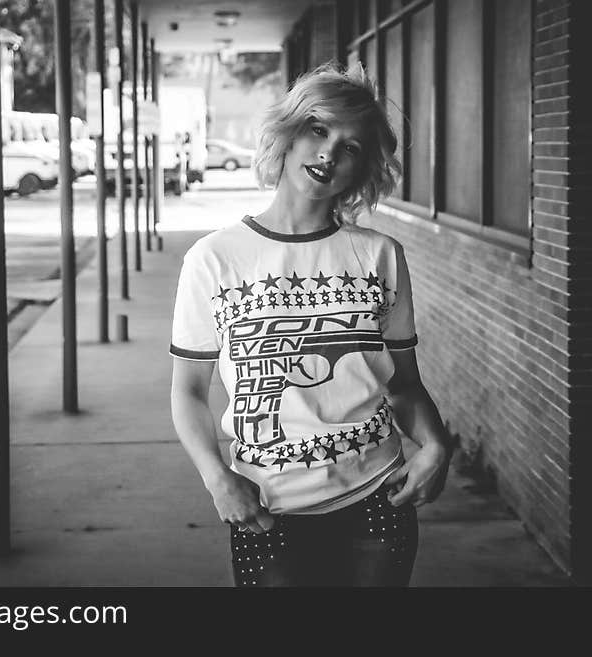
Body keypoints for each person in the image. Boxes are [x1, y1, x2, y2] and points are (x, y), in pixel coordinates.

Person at [169, 62, 453, 587]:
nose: (329, 152)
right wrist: (217, 479)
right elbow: (188, 392)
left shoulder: (380, 257)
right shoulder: (214, 259)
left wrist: (436, 445)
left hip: (377, 500)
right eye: (318, 129)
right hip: (264, 509)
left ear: (364, 167)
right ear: (287, 133)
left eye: (351, 146)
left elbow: (405, 385)